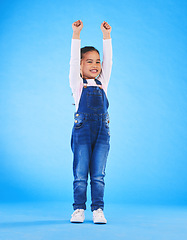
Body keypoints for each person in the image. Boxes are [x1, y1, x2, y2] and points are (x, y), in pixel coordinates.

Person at [69, 20, 112, 224]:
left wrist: (106, 37)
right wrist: (76, 34)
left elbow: (109, 61)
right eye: (89, 61)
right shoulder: (77, 84)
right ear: (80, 64)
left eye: (97, 61)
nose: (95, 65)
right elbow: (72, 60)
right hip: (82, 131)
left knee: (98, 175)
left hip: (102, 132)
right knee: (80, 174)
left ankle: (98, 209)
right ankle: (78, 209)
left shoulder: (103, 82)